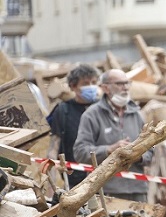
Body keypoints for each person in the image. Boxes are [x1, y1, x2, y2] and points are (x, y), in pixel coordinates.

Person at [73, 69, 153, 202]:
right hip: (105, 191)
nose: (125, 88)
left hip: (137, 189)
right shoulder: (92, 115)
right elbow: (80, 152)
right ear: (105, 88)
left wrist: (138, 156)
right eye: (120, 84)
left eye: (127, 83)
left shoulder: (137, 114)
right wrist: (109, 150)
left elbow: (150, 149)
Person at [47, 63, 100, 189]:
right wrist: (51, 186)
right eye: (86, 83)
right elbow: (54, 148)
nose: (91, 87)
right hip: (75, 180)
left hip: (105, 179)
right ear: (73, 86)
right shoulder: (63, 110)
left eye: (94, 82)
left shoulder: (103, 108)